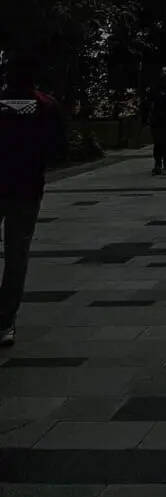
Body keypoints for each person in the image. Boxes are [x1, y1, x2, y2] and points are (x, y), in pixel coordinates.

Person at [0, 56, 67, 348]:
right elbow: (58, 148)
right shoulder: (46, 106)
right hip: (26, 189)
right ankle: (5, 321)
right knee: (17, 256)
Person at [142, 66, 166, 174]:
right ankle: (158, 163)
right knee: (158, 141)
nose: (164, 73)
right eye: (162, 71)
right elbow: (149, 101)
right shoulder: (154, 87)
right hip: (157, 117)